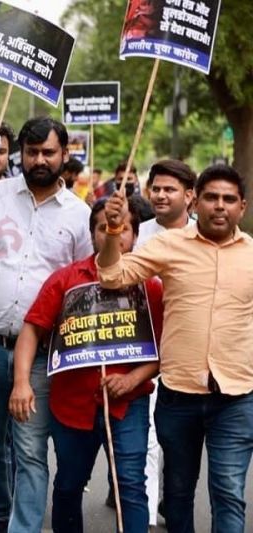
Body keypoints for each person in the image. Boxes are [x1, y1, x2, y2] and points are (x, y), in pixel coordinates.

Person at [0, 117, 92, 533]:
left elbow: (84, 282)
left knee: (29, 450)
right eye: (32, 152)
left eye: (49, 152)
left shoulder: (79, 216)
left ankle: (22, 528)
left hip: (43, 353)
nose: (40, 160)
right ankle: (1, 513)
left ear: (65, 155)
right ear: (19, 155)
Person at [97, 165, 253, 533]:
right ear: (196, 202)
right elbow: (111, 275)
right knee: (178, 492)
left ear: (241, 208)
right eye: (211, 197)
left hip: (236, 396)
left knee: (229, 491)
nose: (220, 206)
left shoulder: (251, 255)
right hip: (178, 395)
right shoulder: (167, 245)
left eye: (229, 199)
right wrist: (113, 231)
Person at [9, 198, 163, 532]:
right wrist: (22, 382)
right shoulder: (65, 280)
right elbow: (32, 329)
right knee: (68, 485)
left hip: (128, 403)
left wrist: (133, 378)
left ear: (134, 236)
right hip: (71, 404)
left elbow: (165, 349)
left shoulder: (150, 285)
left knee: (130, 486)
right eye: (104, 227)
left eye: (121, 228)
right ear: (93, 233)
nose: (113, 234)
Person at [132, 158, 196, 527]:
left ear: (189, 196)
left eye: (169, 189)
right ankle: (147, 513)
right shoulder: (137, 235)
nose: (160, 195)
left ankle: (173, 504)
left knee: (178, 440)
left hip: (185, 354)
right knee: (149, 436)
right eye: (155, 188)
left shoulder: (204, 236)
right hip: (142, 349)